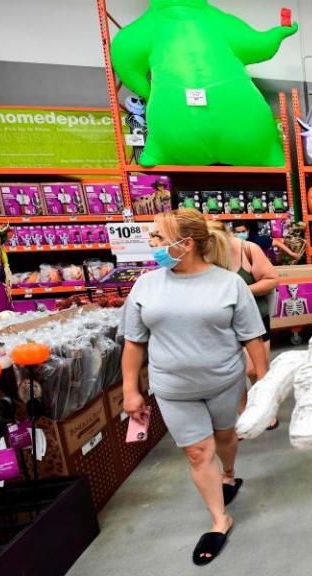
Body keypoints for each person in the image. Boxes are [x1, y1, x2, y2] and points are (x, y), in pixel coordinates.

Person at [121, 208, 268, 566]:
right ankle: (220, 519)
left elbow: (252, 336)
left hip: (223, 382)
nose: (152, 243)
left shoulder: (229, 284)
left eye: (157, 237)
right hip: (172, 388)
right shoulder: (146, 286)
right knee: (198, 452)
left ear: (185, 244)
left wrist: (265, 384)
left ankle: (229, 474)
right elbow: (134, 343)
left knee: (224, 437)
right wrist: (131, 390)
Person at [222, 221, 279, 424]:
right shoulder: (201, 257)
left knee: (255, 369)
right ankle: (244, 415)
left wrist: (241, 291)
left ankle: (266, 410)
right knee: (234, 373)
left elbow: (272, 279)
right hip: (222, 323)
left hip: (254, 317)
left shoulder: (247, 249)